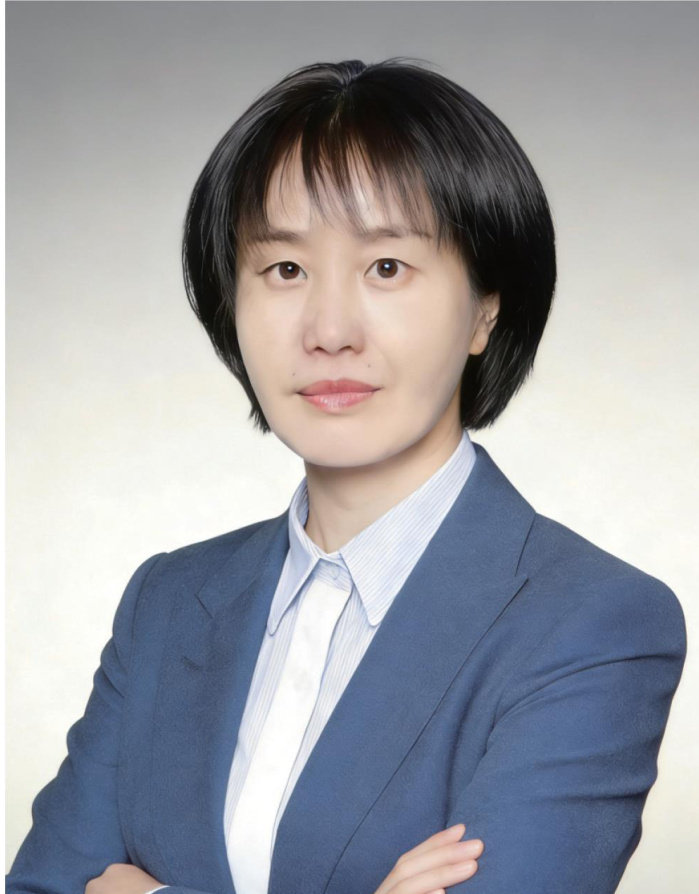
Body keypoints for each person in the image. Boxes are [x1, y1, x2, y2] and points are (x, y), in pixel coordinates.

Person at [7, 58, 686, 894]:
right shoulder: (169, 601)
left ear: (485, 307)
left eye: (386, 267)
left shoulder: (590, 622)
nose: (329, 330)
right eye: (285, 270)